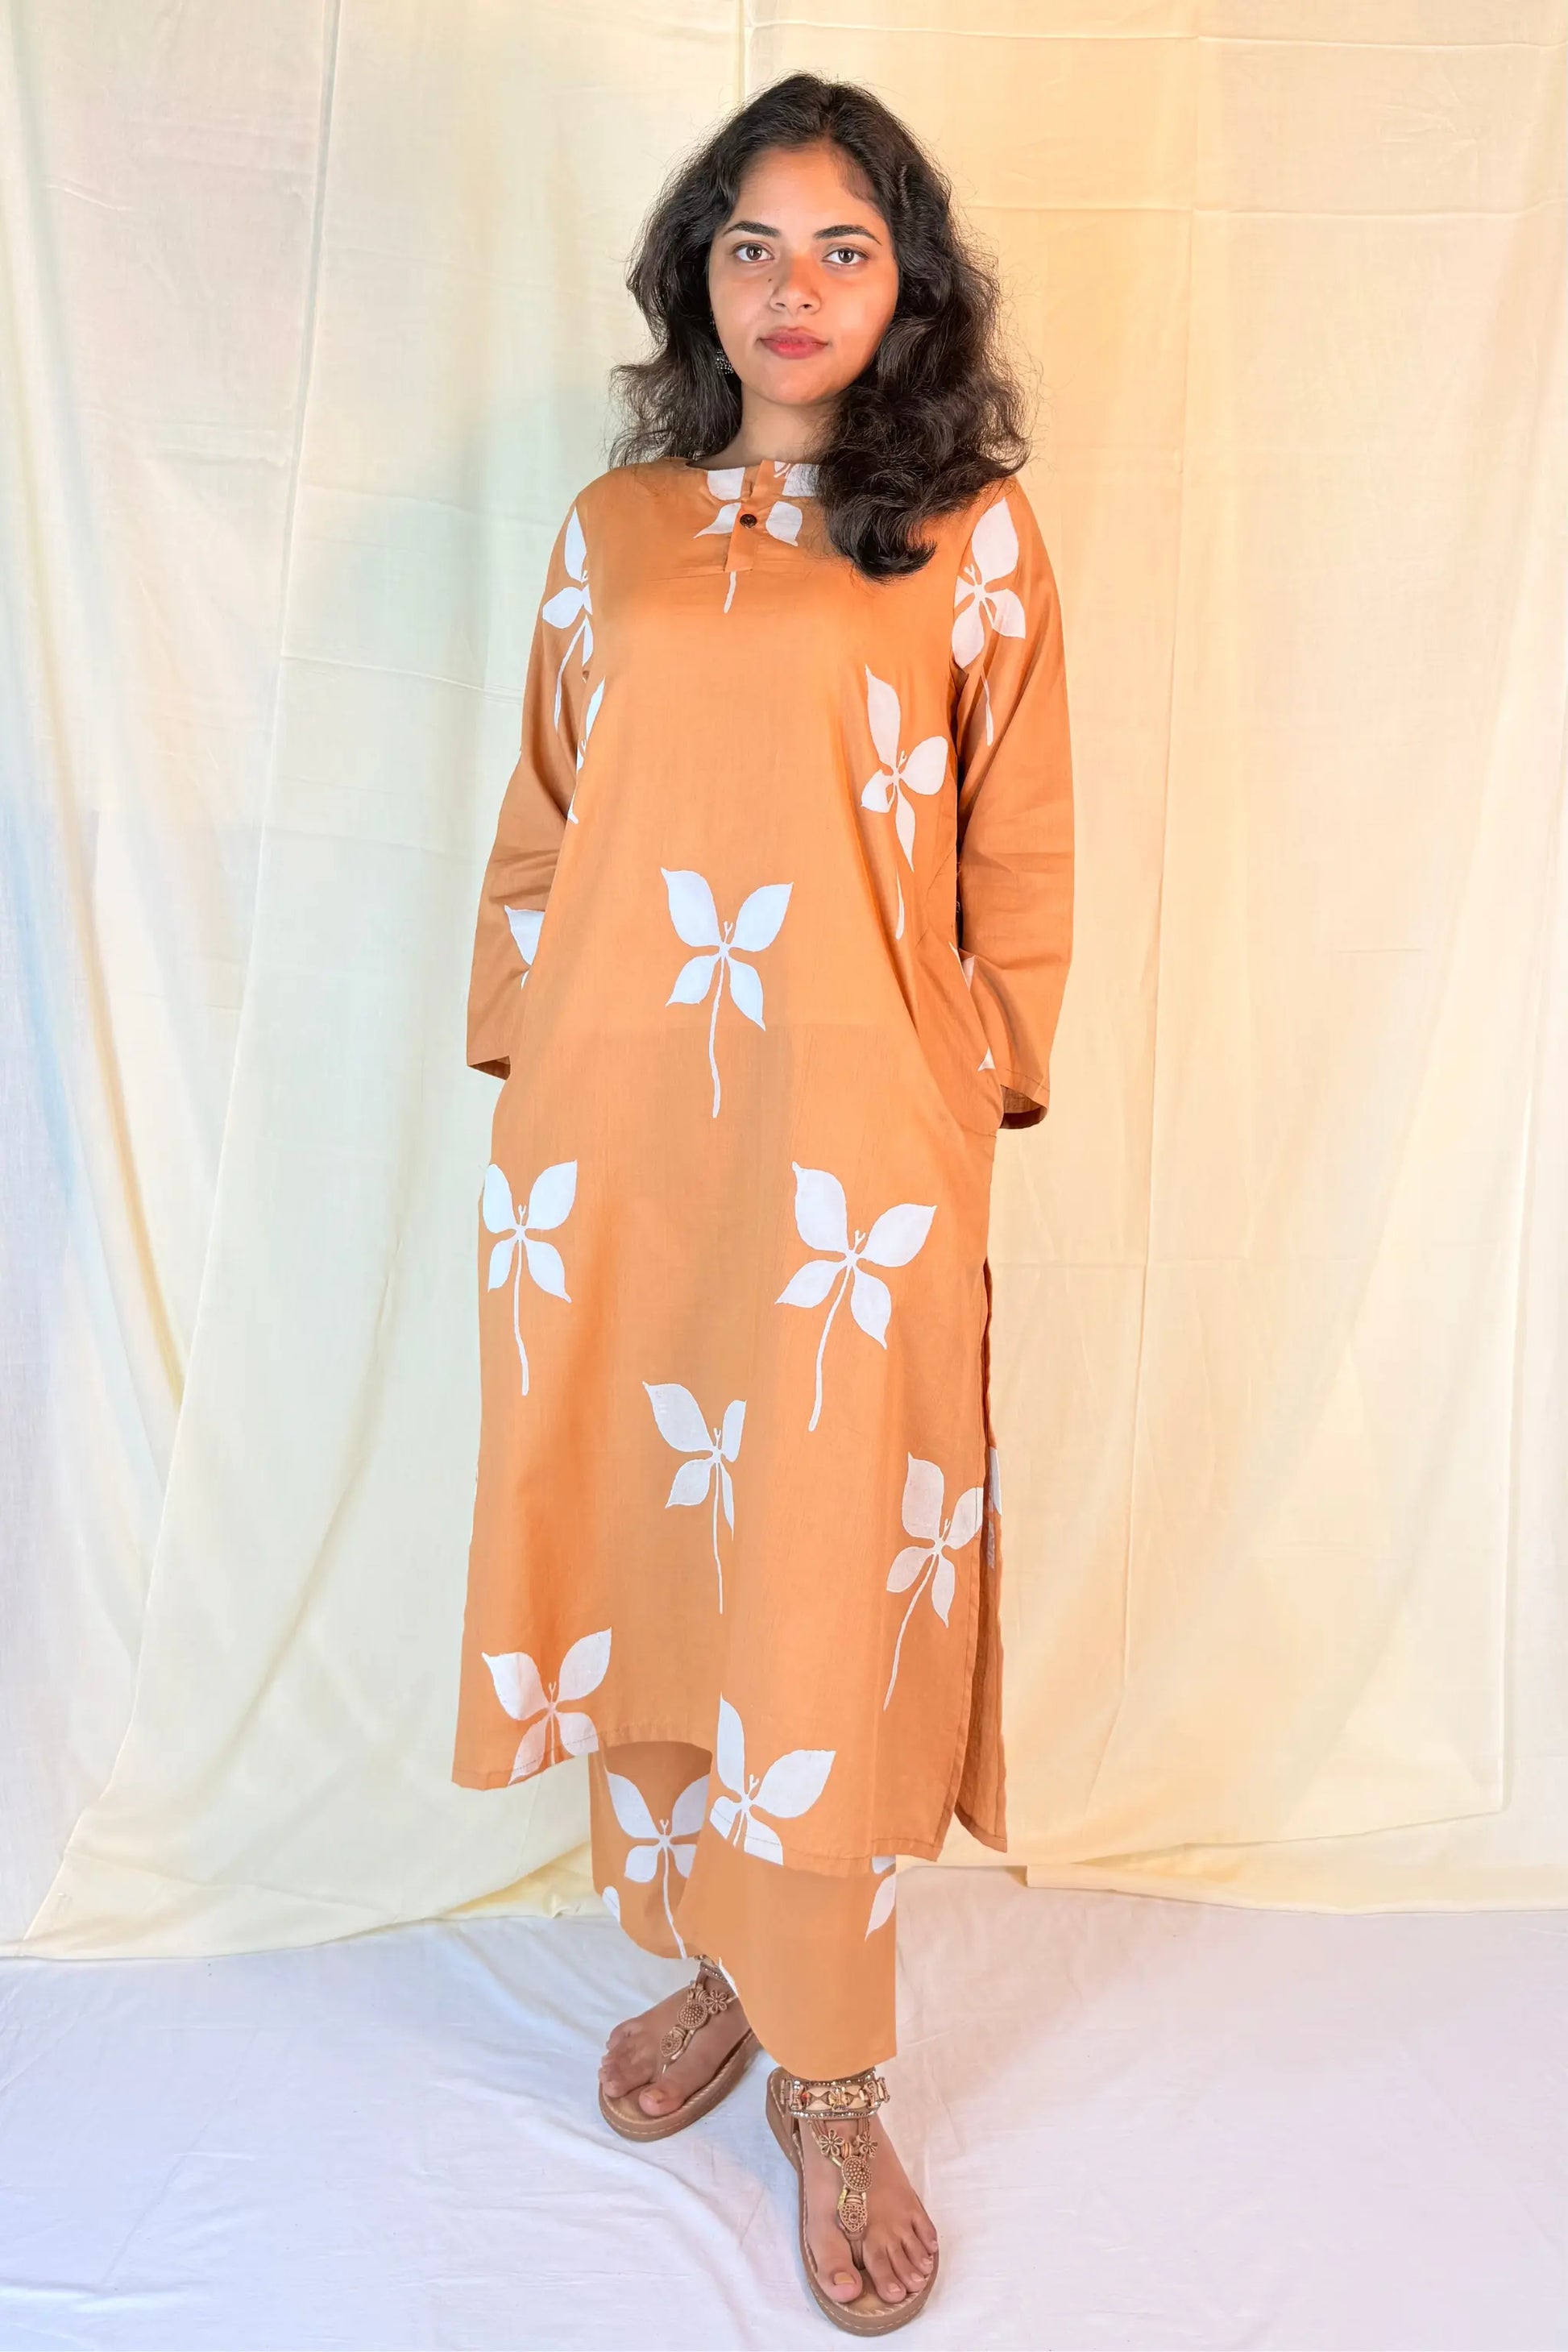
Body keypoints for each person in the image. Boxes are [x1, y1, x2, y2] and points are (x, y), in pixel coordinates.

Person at [450, 68, 1074, 2334]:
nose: (791, 287)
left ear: (907, 286)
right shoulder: (613, 528)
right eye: (750, 244)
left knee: (818, 1576)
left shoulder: (967, 537)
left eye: (840, 247)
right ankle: (723, 1957)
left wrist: (956, 1081)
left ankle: (834, 2073)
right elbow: (544, 823)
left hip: (845, 1165)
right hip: (618, 1149)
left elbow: (1017, 847)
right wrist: (533, 1058)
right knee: (660, 1540)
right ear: (694, 277)